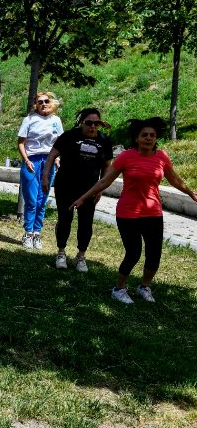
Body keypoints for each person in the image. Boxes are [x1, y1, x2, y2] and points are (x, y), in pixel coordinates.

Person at [71, 117, 197, 304]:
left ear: (156, 138)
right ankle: (119, 288)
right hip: (128, 212)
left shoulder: (162, 157)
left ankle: (144, 286)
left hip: (153, 212)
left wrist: (192, 193)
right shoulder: (126, 156)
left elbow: (174, 180)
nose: (148, 138)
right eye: (144, 135)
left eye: (152, 135)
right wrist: (83, 197)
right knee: (134, 253)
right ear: (136, 138)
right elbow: (105, 181)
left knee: (154, 254)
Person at [42, 108, 112, 272]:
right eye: (89, 123)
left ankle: (81, 255)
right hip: (65, 185)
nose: (92, 126)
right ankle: (61, 252)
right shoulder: (69, 136)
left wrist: (101, 187)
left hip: (89, 189)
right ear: (82, 123)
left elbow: (107, 166)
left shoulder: (104, 140)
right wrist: (45, 176)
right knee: (65, 218)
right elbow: (52, 155)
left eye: (96, 123)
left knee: (86, 222)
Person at [17, 91, 63, 249]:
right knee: (31, 200)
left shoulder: (56, 120)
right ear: (35, 104)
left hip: (48, 161)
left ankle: (37, 234)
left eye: (46, 101)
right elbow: (21, 143)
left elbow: (59, 143)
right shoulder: (29, 120)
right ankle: (27, 233)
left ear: (50, 103)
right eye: (40, 102)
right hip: (32, 161)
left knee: (42, 200)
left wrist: (57, 159)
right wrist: (26, 160)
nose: (43, 104)